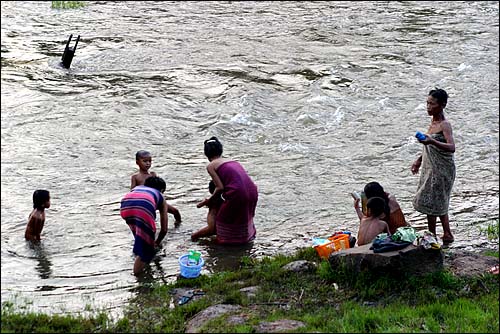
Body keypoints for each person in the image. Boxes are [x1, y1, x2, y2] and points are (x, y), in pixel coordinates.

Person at [193, 136, 258, 244]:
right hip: (252, 191)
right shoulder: (232, 161)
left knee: (222, 220)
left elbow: (220, 188)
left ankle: (227, 242)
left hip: (237, 193)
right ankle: (245, 238)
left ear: (206, 154)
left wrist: (209, 201)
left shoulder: (211, 165)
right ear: (221, 150)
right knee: (243, 215)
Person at [411, 88, 456, 244]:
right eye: (427, 103)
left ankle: (435, 235)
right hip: (430, 167)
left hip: (442, 169)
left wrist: (432, 141)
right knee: (435, 201)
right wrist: (419, 160)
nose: (428, 107)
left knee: (436, 201)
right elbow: (429, 146)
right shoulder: (432, 123)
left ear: (442, 105)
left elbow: (451, 147)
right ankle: (444, 234)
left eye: (432, 104)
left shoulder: (445, 125)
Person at [120, 176, 169, 276]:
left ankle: (137, 253)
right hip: (143, 208)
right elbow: (164, 229)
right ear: (162, 190)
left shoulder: (138, 189)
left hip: (125, 206)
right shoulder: (160, 196)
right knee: (148, 249)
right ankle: (139, 277)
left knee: (140, 235)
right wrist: (156, 243)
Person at [130, 150, 181, 226]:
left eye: (150, 161)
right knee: (150, 219)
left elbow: (158, 186)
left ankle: (178, 225)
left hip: (157, 201)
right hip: (145, 203)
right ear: (137, 162)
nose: (148, 163)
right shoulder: (135, 177)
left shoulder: (153, 174)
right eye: (145, 161)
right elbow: (132, 191)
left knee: (175, 211)